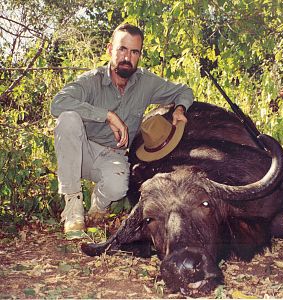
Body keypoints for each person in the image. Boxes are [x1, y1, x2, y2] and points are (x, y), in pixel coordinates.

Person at [51, 23, 194, 235]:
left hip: (113, 154)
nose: (127, 57)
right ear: (110, 49)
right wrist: (106, 115)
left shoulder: (146, 82)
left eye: (134, 52)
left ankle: (98, 206)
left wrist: (179, 109)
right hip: (82, 151)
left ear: (140, 55)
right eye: (122, 49)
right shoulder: (91, 81)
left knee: (118, 186)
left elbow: (184, 90)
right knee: (68, 119)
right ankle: (73, 205)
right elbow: (58, 103)